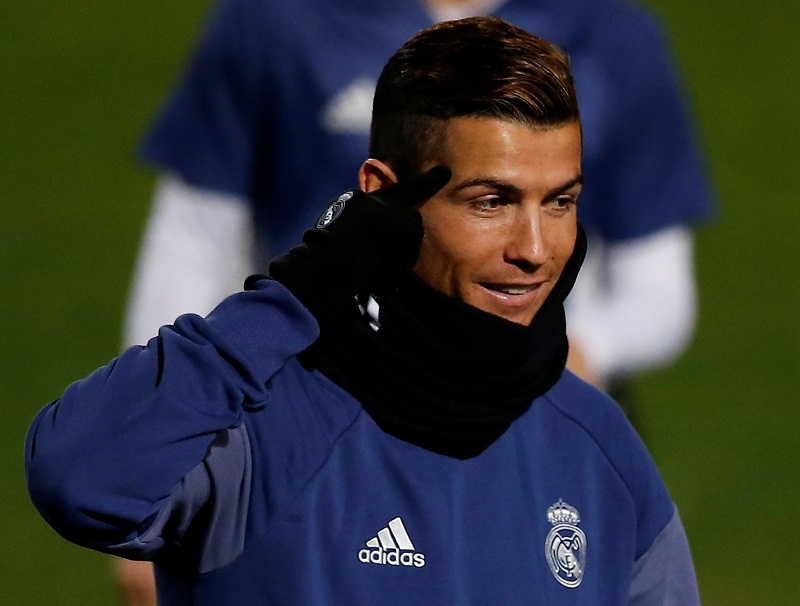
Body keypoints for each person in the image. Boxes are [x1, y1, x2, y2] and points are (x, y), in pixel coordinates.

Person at [26, 17, 699, 604]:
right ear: (384, 197)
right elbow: (78, 478)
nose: (534, 249)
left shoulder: (599, 447)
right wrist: (309, 285)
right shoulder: (253, 428)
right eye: (491, 202)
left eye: (559, 202)